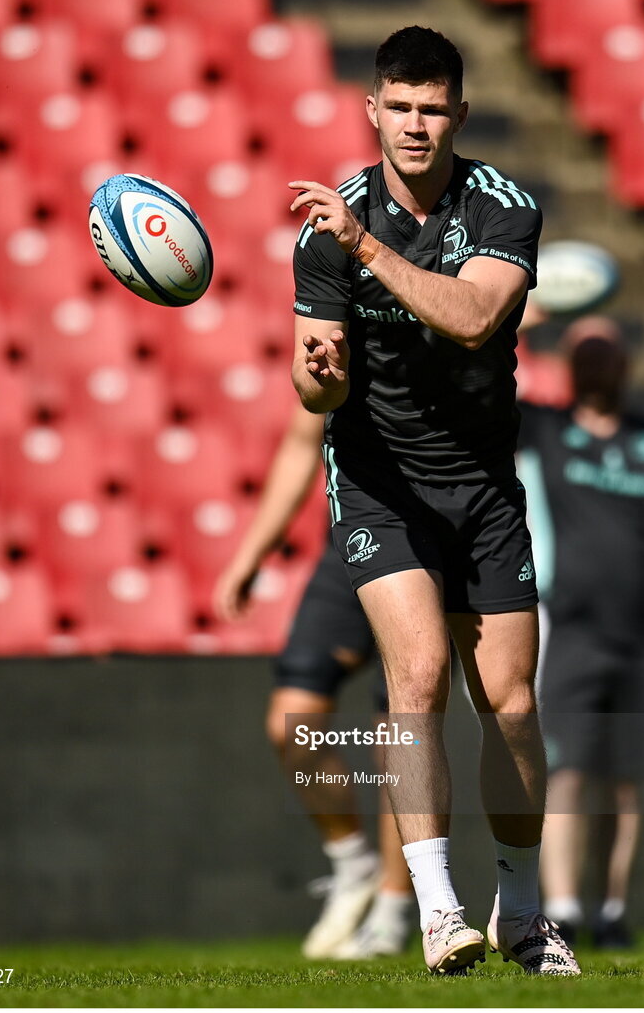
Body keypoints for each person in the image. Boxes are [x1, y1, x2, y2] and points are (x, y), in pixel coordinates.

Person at [288, 25, 580, 975]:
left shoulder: (501, 209)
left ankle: (523, 910)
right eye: (397, 107)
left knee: (509, 702)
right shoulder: (323, 232)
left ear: (458, 112)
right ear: (371, 109)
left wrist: (365, 246)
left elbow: (473, 319)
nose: (414, 125)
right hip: (380, 483)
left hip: (484, 486)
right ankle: (438, 909)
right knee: (412, 680)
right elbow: (313, 387)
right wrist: (324, 375)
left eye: (431, 108)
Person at [517, 316, 644, 948]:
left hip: (639, 635)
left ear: (626, 364)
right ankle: (565, 908)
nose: (597, 364)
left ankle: (609, 909)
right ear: (569, 366)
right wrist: (516, 324)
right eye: (585, 352)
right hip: (572, 631)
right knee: (568, 769)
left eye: (607, 352)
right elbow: (475, 380)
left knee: (624, 779)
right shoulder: (546, 428)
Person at [213, 402, 415, 960]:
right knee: (290, 723)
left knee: (400, 740)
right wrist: (252, 554)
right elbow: (304, 442)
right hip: (352, 544)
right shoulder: (336, 320)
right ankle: (353, 867)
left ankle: (394, 913)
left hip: (431, 549)